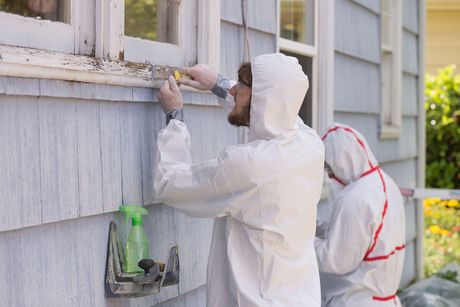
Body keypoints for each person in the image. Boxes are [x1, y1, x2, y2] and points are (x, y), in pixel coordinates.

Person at [154, 53, 325, 306]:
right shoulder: (310, 145)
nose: (233, 90)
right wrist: (216, 83)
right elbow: (275, 114)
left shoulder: (250, 165)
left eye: (240, 86)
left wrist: (174, 118)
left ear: (260, 99)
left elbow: (170, 183)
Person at [315, 123, 406, 306]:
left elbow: (335, 260)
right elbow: (360, 238)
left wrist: (299, 238)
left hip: (356, 301)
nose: (331, 176)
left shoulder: (355, 198)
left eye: (329, 168)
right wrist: (316, 227)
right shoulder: (385, 184)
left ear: (342, 161)